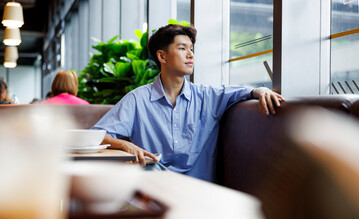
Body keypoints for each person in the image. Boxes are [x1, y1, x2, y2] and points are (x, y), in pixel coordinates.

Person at [92, 24, 284, 182]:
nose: (190, 55)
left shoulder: (208, 96)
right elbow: (96, 135)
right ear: (162, 56)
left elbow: (246, 91)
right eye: (182, 48)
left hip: (200, 195)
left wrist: (263, 91)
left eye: (191, 49)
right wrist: (126, 146)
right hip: (154, 190)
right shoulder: (137, 99)